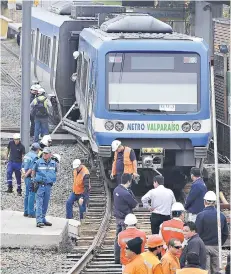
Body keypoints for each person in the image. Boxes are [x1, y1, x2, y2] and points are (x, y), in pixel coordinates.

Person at [195, 191, 229, 274]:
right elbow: (225, 233)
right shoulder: (221, 216)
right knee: (216, 271)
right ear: (215, 202)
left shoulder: (200, 215)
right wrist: (219, 243)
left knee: (205, 271)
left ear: (205, 202)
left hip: (204, 246)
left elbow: (197, 232)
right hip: (216, 246)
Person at [113, 173, 139, 264]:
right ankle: (126, 259)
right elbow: (134, 204)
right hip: (126, 220)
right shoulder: (126, 193)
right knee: (127, 239)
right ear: (129, 181)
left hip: (118, 218)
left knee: (118, 238)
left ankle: (116, 258)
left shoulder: (116, 189)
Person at [31, 147, 58, 227]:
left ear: (50, 154)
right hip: (40, 185)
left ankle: (43, 218)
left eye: (46, 153)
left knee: (45, 203)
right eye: (44, 153)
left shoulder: (53, 163)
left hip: (48, 186)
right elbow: (33, 171)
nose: (45, 155)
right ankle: (39, 220)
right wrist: (33, 180)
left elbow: (55, 171)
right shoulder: (38, 162)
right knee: (39, 202)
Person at [22, 142, 41, 218]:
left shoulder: (27, 155)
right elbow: (32, 168)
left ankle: (25, 211)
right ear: (38, 149)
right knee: (32, 194)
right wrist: (27, 175)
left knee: (27, 194)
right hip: (30, 177)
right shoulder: (35, 157)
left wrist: (24, 174)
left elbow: (23, 166)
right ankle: (31, 213)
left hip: (26, 177)